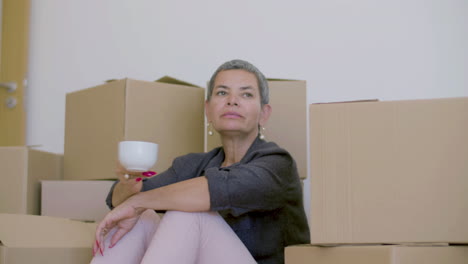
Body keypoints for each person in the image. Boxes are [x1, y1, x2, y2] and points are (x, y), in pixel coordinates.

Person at [91, 59, 310, 264]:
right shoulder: (193, 165)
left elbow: (218, 189)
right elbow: (121, 200)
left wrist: (137, 202)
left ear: (264, 113)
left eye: (246, 95)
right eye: (222, 92)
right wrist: (128, 186)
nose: (232, 101)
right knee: (143, 217)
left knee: (188, 212)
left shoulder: (278, 163)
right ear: (208, 110)